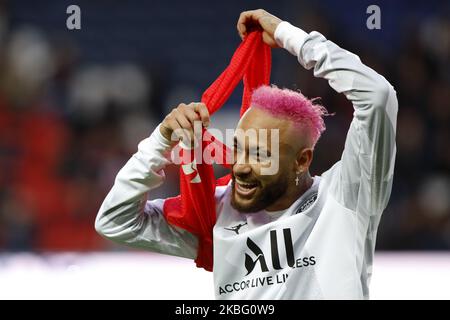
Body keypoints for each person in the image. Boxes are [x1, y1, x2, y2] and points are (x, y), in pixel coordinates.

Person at [95, 9, 398, 299]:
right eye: (238, 149)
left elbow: (377, 95)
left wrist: (288, 35)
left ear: (301, 161)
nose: (239, 168)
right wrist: (160, 142)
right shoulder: (217, 211)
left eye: (260, 155)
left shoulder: (346, 197)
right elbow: (115, 221)